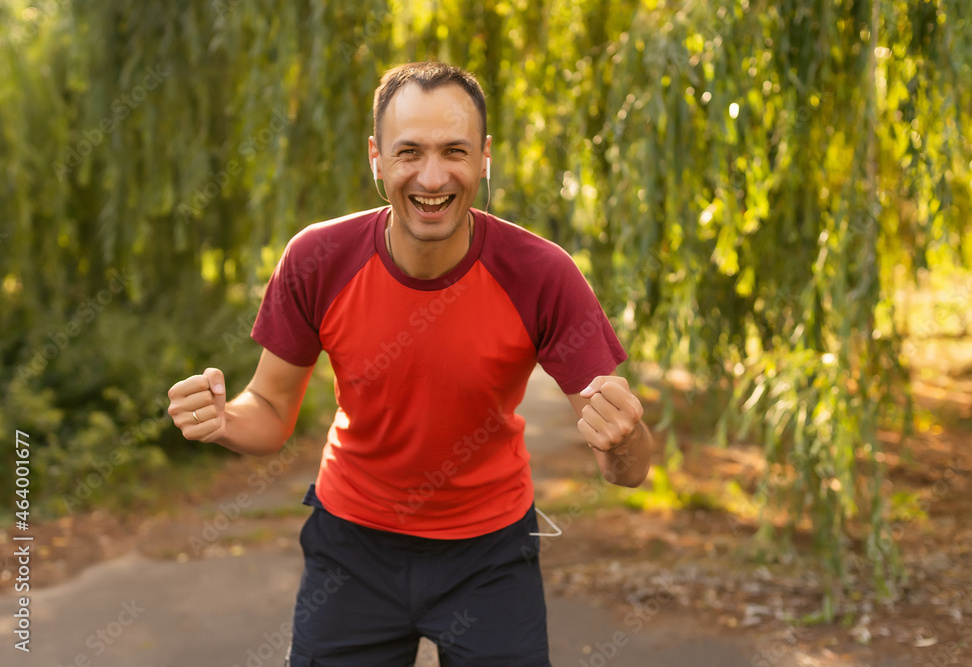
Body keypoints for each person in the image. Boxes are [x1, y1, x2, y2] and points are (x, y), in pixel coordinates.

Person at [167, 61, 653, 667]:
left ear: (484, 157)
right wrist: (222, 418)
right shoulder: (317, 258)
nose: (432, 175)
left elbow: (625, 469)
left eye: (454, 150)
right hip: (351, 550)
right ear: (376, 157)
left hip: (490, 557)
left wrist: (627, 438)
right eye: (408, 152)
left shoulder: (542, 273)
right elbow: (267, 411)